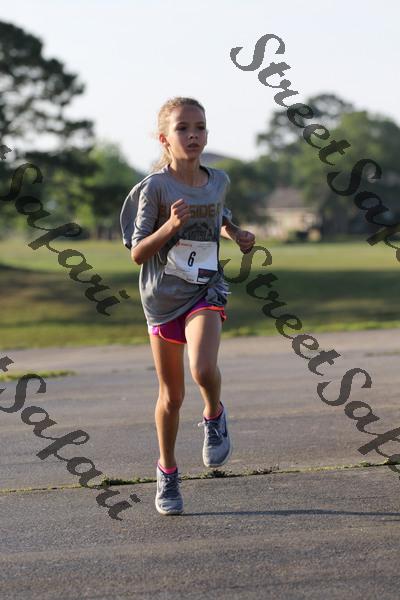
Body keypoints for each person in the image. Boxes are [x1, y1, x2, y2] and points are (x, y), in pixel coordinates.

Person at [120, 96, 255, 515]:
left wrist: (236, 234)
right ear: (165, 138)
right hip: (162, 300)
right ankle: (168, 471)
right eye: (183, 128)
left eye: (200, 127)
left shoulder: (218, 180)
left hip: (204, 289)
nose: (193, 135)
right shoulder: (156, 188)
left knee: (202, 368)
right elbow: (138, 253)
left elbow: (220, 217)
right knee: (172, 396)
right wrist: (171, 226)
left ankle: (214, 415)